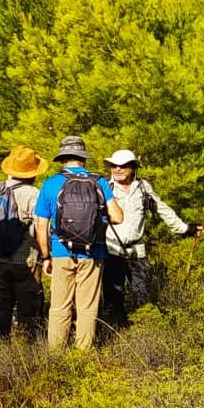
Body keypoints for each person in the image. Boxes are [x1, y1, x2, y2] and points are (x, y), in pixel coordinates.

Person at [33, 134, 124, 351]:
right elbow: (118, 217)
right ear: (83, 158)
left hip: (61, 251)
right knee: (87, 306)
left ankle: (55, 353)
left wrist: (46, 256)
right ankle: (83, 355)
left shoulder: (51, 183)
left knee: (59, 306)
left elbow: (40, 225)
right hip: (93, 253)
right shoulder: (99, 182)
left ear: (62, 158)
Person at [102, 148, 202, 327]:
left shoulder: (143, 187)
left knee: (143, 296)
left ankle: (145, 331)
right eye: (114, 165)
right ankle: (115, 333)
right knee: (112, 298)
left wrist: (184, 228)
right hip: (111, 251)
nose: (117, 169)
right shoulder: (104, 187)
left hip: (137, 252)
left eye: (122, 166)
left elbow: (161, 208)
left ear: (133, 167)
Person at [0, 145, 50, 340]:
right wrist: (46, 255)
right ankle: (29, 347)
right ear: (32, 172)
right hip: (27, 260)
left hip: (0, 259)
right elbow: (40, 228)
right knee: (29, 308)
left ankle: (1, 343)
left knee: (3, 307)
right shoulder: (33, 194)